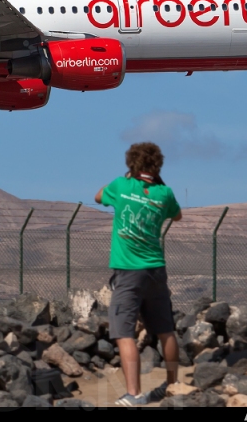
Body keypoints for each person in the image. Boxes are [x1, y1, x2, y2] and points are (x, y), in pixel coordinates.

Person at [94, 142, 182, 407]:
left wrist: (128, 178)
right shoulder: (164, 192)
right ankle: (172, 384)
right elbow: (176, 216)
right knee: (166, 330)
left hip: (129, 272)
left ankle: (133, 394)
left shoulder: (121, 186)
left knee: (124, 333)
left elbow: (98, 196)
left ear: (131, 163)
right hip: (156, 269)